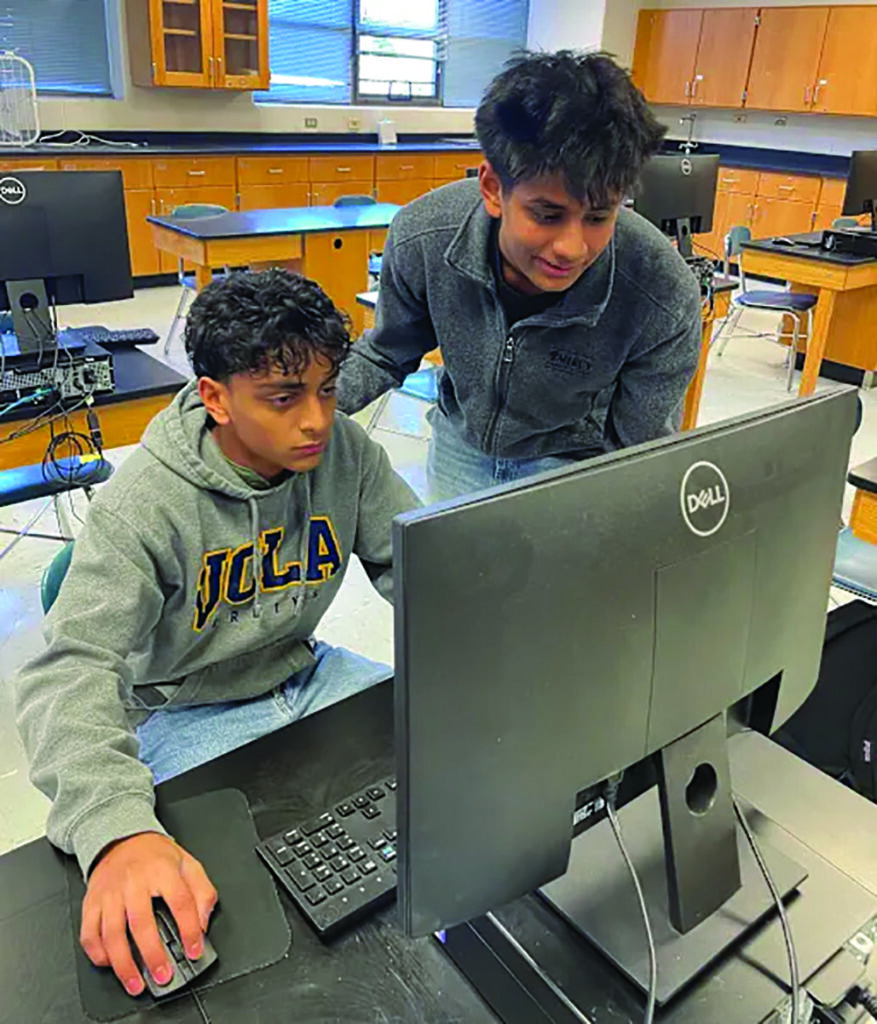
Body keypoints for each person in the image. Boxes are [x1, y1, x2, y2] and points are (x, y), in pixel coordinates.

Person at [14, 270, 419, 996]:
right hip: (185, 710)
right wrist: (117, 830)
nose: (317, 421)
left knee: (437, 783)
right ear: (215, 398)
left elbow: (419, 568)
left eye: (327, 389)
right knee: (251, 927)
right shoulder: (146, 503)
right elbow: (68, 667)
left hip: (307, 669)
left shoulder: (345, 455)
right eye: (283, 398)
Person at [337, 50, 703, 500]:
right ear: (493, 188)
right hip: (461, 445)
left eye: (598, 217)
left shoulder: (660, 294)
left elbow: (636, 453)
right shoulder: (424, 237)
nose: (572, 247)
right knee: (458, 569)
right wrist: (296, 411)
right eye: (547, 215)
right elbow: (385, 352)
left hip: (573, 467)